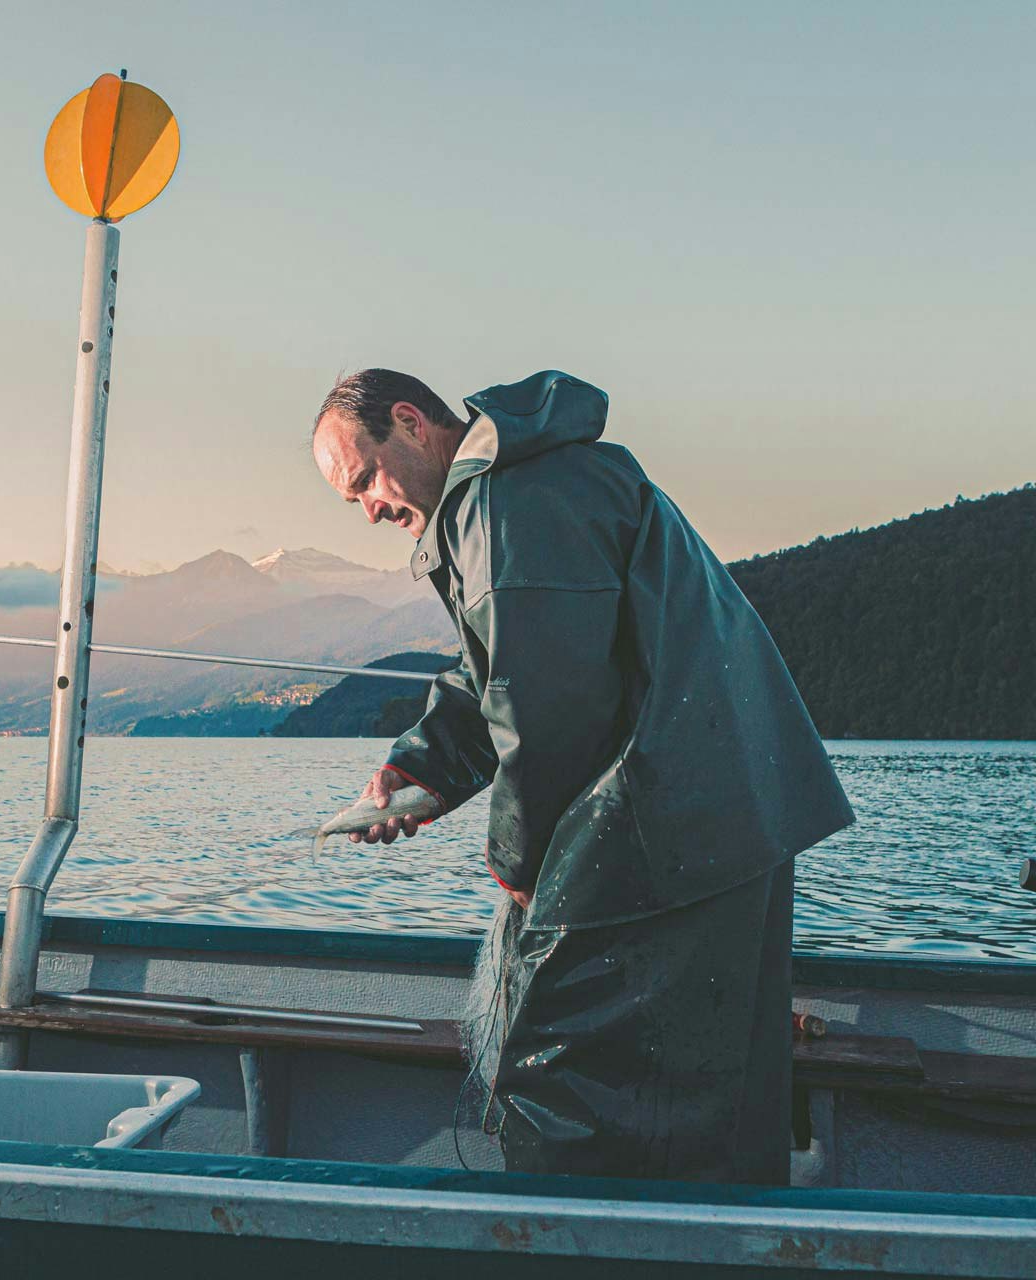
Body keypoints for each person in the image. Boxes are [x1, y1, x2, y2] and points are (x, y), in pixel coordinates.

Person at [311, 368, 854, 1183]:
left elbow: (544, 706)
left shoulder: (509, 502)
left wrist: (520, 865)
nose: (370, 509)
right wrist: (410, 769)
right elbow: (497, 670)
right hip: (722, 814)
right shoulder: (524, 482)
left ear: (411, 423)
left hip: (676, 826)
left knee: (566, 1074)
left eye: (365, 481)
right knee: (705, 1089)